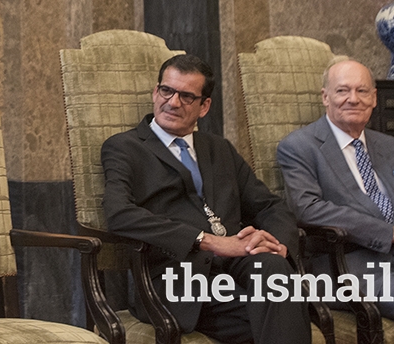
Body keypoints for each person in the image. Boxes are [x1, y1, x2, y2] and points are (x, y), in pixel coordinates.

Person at [101, 54, 311, 343]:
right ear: (155, 92)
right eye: (166, 90)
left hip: (237, 267)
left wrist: (278, 246)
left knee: (273, 268)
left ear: (204, 106)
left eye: (187, 96)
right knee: (282, 315)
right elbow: (118, 213)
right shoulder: (124, 147)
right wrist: (206, 240)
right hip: (178, 277)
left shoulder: (219, 148)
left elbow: (269, 205)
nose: (173, 102)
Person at [277, 59, 394, 342]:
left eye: (362, 91)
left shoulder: (388, 145)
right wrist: (392, 233)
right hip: (351, 268)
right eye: (342, 91)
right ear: (325, 97)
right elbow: (308, 209)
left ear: (374, 98)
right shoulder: (299, 147)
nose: (353, 99)